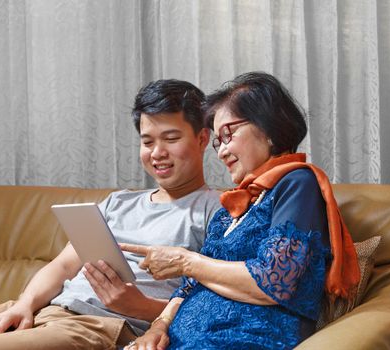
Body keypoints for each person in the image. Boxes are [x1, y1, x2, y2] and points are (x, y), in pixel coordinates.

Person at [122, 72, 360, 349]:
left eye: (228, 135)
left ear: (269, 129)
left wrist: (186, 261)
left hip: (247, 340)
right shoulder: (231, 209)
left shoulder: (297, 184)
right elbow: (189, 285)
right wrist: (158, 327)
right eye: (218, 141)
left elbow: (274, 281)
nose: (221, 152)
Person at [0, 79, 221, 350]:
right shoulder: (118, 202)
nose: (157, 153)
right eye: (147, 141)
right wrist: (24, 305)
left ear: (202, 139)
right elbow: (63, 266)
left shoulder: (217, 210)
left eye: (171, 138)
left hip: (96, 326)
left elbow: (217, 306)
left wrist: (142, 307)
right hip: (45, 311)